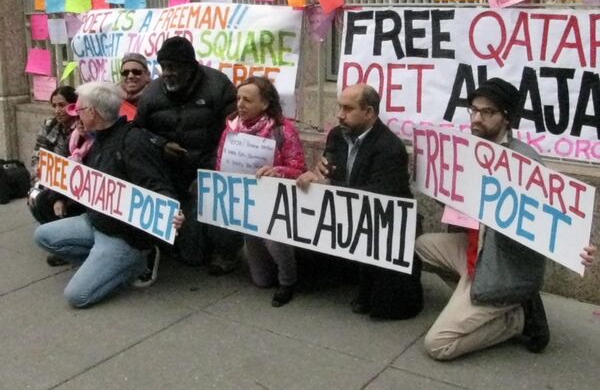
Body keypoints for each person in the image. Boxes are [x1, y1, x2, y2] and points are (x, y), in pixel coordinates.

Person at [415, 77, 597, 361]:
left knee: (437, 345)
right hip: (475, 254)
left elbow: (551, 221)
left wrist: (576, 248)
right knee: (421, 246)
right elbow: (455, 202)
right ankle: (475, 298)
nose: (477, 118)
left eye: (487, 112)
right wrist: (430, 177)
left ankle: (517, 319)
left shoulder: (524, 162)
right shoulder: (469, 149)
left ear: (507, 118)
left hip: (502, 267)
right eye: (474, 110)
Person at [33, 82, 184, 308]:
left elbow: (156, 183)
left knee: (77, 296)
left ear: (92, 113)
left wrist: (173, 211)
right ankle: (103, 263)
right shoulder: (96, 138)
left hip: (123, 236)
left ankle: (134, 264)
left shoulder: (133, 141)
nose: (76, 115)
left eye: (79, 110)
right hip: (95, 222)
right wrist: (59, 196)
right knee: (42, 235)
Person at [297, 83, 423, 319]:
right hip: (344, 214)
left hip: (382, 222)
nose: (339, 115)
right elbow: (329, 171)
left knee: (384, 303)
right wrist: (317, 174)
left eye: (347, 109)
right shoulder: (337, 135)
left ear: (369, 112)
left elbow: (377, 196)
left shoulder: (389, 148)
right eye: (339, 107)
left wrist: (330, 185)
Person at [135, 36, 240, 270]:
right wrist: (161, 144)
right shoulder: (152, 93)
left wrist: (208, 172)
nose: (167, 73)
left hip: (211, 171)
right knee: (191, 255)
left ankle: (225, 252)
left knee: (224, 194)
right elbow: (138, 133)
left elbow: (233, 135)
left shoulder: (218, 86)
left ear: (190, 67)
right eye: (164, 67)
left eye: (173, 67)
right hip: (171, 172)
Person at [216, 76, 306, 307]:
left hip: (276, 204)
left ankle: (288, 281)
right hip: (247, 204)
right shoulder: (230, 130)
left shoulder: (283, 131)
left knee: (276, 243)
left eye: (247, 100)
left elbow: (299, 170)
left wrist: (277, 171)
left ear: (265, 103)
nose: (240, 104)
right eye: (238, 99)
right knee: (261, 280)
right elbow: (220, 165)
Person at [28, 86, 83, 266]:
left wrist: (59, 193)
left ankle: (69, 245)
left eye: (62, 105)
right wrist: (39, 180)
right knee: (35, 196)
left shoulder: (81, 127)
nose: (58, 110)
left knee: (47, 199)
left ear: (73, 106)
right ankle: (58, 241)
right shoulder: (49, 125)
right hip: (52, 180)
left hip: (74, 185)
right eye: (54, 106)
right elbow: (38, 156)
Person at [119, 52, 151, 120]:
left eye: (136, 72)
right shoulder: (111, 102)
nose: (130, 76)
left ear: (147, 75)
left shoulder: (157, 100)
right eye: (125, 73)